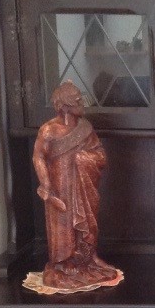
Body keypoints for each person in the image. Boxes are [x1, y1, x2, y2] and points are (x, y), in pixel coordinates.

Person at [32, 81, 120, 290]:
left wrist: (83, 158)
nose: (83, 103)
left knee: (88, 222)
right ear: (65, 105)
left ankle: (88, 259)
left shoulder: (85, 128)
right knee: (62, 226)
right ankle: (61, 267)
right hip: (59, 190)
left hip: (83, 188)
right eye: (78, 100)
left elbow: (101, 155)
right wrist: (45, 184)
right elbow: (38, 157)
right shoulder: (49, 130)